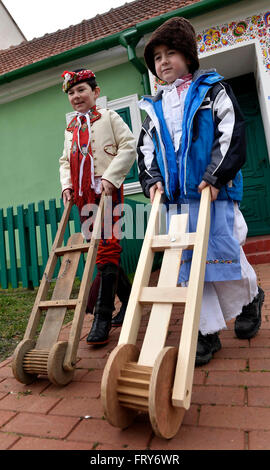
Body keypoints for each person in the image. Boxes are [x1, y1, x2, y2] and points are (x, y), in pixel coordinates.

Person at [137, 17, 264, 366]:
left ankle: (250, 295)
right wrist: (151, 181)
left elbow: (232, 131)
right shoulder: (155, 105)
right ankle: (205, 331)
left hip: (214, 191)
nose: (164, 61)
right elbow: (146, 151)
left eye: (171, 52)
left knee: (222, 254)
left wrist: (216, 175)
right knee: (190, 265)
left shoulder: (212, 89)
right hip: (178, 201)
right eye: (158, 57)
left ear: (189, 57)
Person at [59, 68, 135, 345]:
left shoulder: (110, 118)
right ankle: (127, 301)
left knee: (108, 246)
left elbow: (128, 146)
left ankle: (102, 317)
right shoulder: (70, 130)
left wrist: (112, 179)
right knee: (101, 248)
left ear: (96, 93)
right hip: (83, 198)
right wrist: (67, 185)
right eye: (71, 92)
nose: (76, 96)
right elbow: (65, 161)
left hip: (108, 192)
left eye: (81, 90)